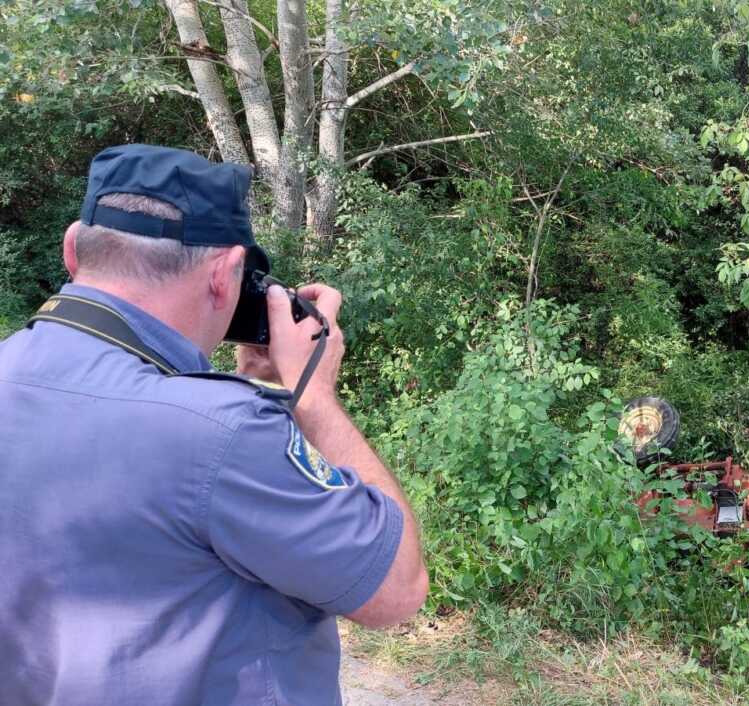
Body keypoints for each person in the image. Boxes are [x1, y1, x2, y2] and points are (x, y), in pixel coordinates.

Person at [0, 144, 428, 705]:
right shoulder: (221, 433)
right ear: (226, 273)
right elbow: (396, 589)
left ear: (73, 249)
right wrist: (313, 397)